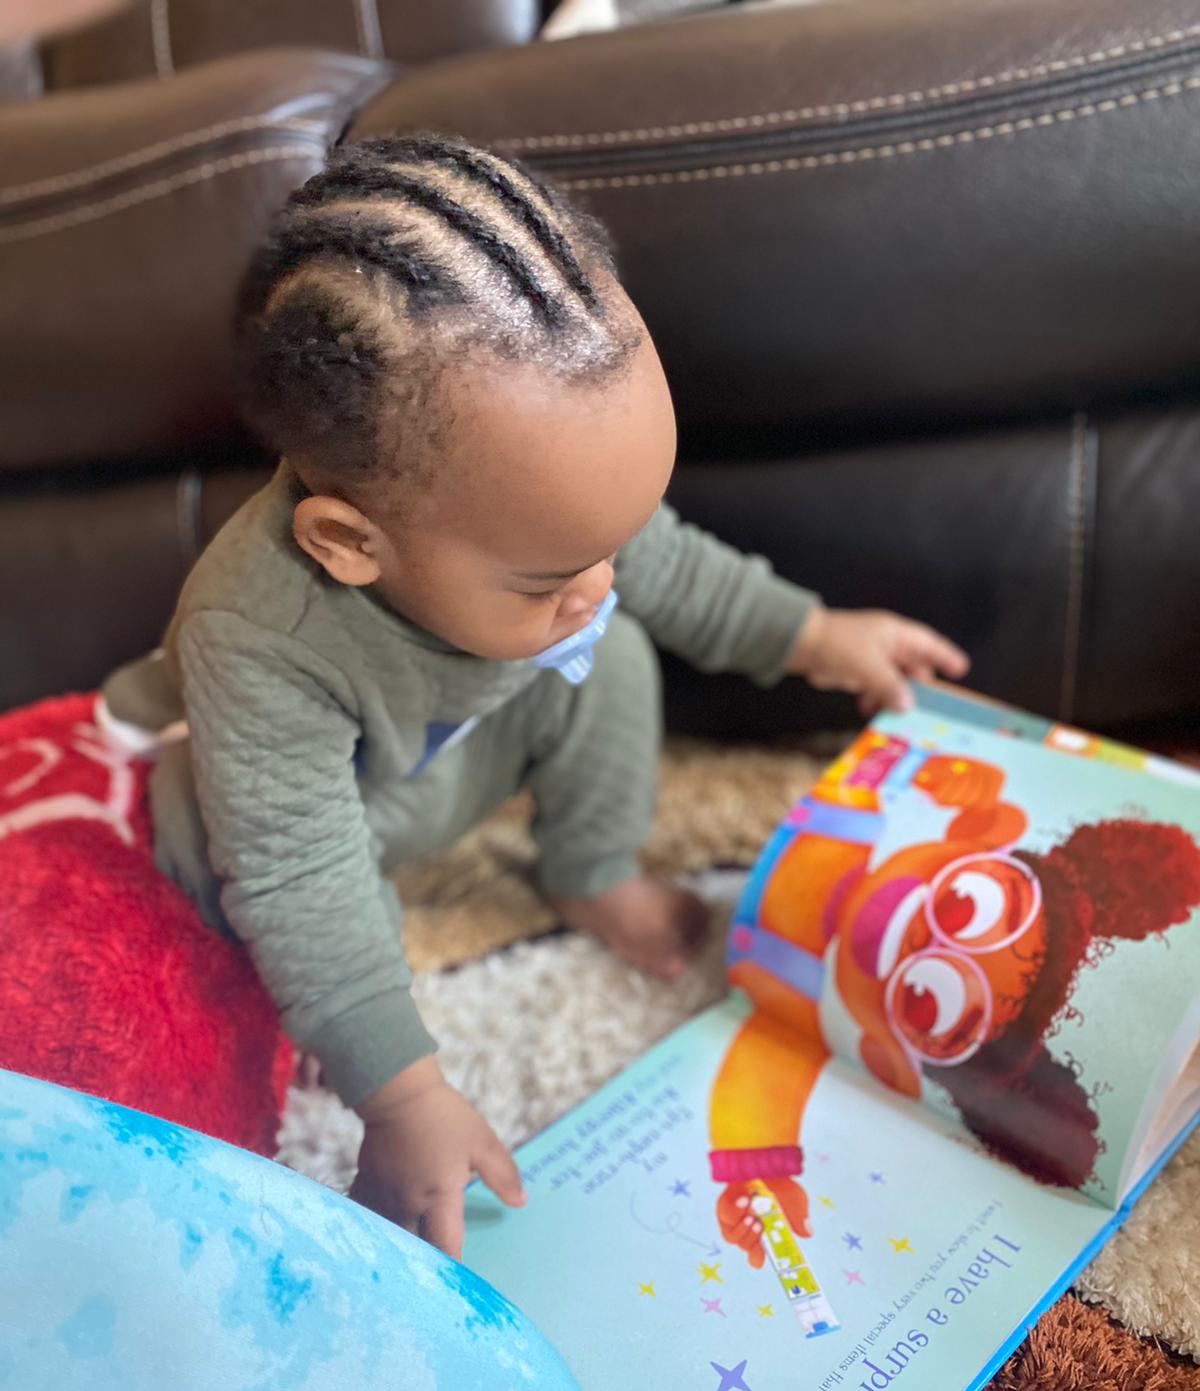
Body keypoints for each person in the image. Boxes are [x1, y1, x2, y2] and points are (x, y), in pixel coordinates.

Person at [103, 133, 967, 1258]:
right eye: (552, 576)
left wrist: (814, 635)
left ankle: (589, 873)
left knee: (614, 651)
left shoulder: (551, 533)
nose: (601, 581)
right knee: (219, 859)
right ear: (348, 544)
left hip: (446, 754)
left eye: (607, 542)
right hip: (331, 813)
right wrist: (397, 1083)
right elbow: (297, 866)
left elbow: (669, 567)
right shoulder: (258, 628)